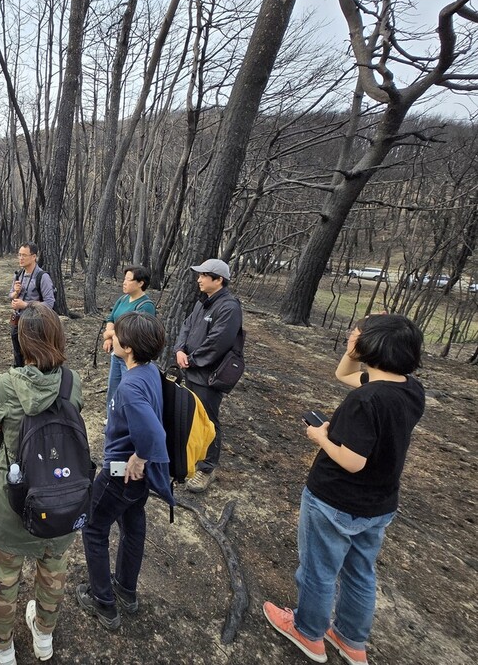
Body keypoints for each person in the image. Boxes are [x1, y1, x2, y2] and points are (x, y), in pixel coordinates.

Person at [263, 314, 425, 665]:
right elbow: (343, 374)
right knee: (359, 571)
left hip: (335, 500)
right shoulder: (410, 389)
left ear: (374, 346)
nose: (353, 335)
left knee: (318, 570)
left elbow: (352, 460)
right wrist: (355, 349)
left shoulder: (366, 401)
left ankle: (308, 633)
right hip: (378, 503)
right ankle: (351, 639)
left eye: (359, 334)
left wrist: (321, 435)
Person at [0, 303, 81, 665]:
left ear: (21, 341)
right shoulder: (72, 382)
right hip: (60, 498)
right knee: (53, 571)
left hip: (13, 500)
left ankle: (4, 646)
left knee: (5, 577)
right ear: (58, 337)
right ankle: (43, 637)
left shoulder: (6, 384)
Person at [77, 312, 167, 631]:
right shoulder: (149, 371)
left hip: (121, 472)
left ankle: (104, 603)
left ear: (127, 347)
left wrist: (139, 458)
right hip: (138, 480)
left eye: (115, 335)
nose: (110, 337)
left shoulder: (130, 387)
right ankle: (126, 591)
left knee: (94, 527)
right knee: (133, 526)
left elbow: (155, 434)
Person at [172, 259, 243, 492]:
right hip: (192, 370)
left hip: (209, 376)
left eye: (204, 275)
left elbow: (219, 342)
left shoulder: (229, 307)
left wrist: (192, 359)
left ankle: (207, 469)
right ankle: (190, 457)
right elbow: (186, 326)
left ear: (219, 279)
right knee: (190, 414)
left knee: (209, 420)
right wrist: (180, 349)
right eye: (199, 274)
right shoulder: (203, 303)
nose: (199, 279)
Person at [102, 266, 157, 415]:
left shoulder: (146, 306)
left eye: (128, 279)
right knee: (113, 390)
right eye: (124, 279)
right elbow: (111, 318)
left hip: (132, 358)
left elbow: (133, 332)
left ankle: (127, 420)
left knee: (129, 391)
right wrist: (109, 339)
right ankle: (111, 419)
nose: (124, 283)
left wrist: (109, 334)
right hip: (117, 354)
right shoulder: (123, 299)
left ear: (140, 283)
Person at [8, 242, 54, 367]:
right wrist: (15, 293)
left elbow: (49, 303)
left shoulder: (42, 277)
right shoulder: (18, 274)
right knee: (18, 355)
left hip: (34, 324)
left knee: (32, 356)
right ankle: (18, 378)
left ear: (34, 257)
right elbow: (10, 295)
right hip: (17, 322)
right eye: (19, 255)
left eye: (24, 255)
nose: (21, 258)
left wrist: (25, 305)